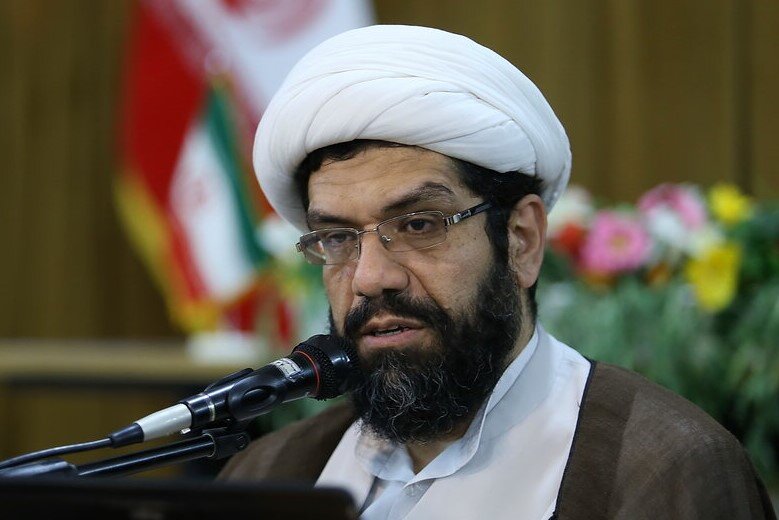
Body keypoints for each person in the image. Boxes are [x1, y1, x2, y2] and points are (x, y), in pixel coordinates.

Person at [218, 25, 776, 519]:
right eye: (339, 238)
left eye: (418, 225)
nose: (369, 278)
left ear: (521, 240)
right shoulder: (272, 473)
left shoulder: (661, 471)